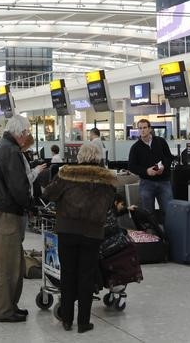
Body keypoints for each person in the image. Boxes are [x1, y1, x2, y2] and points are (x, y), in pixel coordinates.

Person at [43, 141, 117, 333]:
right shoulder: (106, 179)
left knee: (67, 275)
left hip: (67, 230)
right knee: (86, 277)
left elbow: (49, 194)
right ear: (99, 156)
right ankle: (83, 323)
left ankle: (67, 319)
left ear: (80, 155)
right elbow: (110, 204)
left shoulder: (66, 173)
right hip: (92, 233)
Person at [0, 115, 34, 323]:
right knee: (6, 265)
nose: (28, 137)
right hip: (5, 212)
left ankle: (10, 305)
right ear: (20, 133)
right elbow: (18, 187)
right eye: (27, 133)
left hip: (0, 209)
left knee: (13, 262)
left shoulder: (1, 146)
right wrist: (31, 205)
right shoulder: (10, 150)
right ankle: (3, 310)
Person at [127, 118, 173, 215]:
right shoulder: (135, 147)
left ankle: (168, 230)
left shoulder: (161, 142)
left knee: (168, 211)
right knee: (147, 213)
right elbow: (132, 166)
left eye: (144, 127)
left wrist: (164, 167)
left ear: (150, 129)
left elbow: (169, 157)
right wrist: (146, 171)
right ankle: (151, 231)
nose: (142, 130)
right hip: (146, 183)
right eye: (140, 128)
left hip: (164, 182)